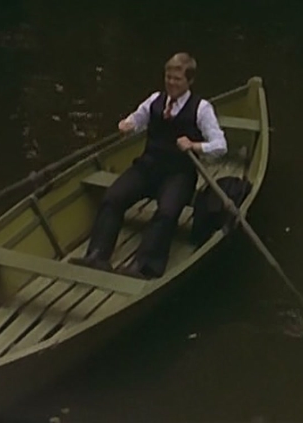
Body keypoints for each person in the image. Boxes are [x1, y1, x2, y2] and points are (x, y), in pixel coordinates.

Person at [70, 52, 228, 279]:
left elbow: (220, 146)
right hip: (148, 166)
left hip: (179, 173)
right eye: (168, 77)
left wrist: (195, 145)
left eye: (177, 79)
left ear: (190, 81)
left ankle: (144, 266)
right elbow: (138, 118)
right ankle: (97, 255)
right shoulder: (155, 100)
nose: (171, 83)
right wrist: (128, 124)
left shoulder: (202, 109)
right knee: (113, 197)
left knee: (166, 213)